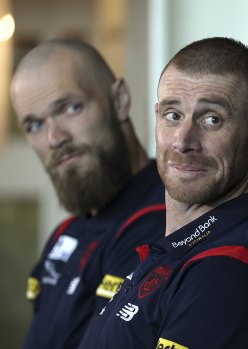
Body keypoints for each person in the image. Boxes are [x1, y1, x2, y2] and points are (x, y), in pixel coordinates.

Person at [78, 37, 248, 349]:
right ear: (156, 117)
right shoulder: (181, 251)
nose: (183, 141)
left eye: (212, 119)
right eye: (173, 115)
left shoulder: (229, 270)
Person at [10, 39, 166, 349]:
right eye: (35, 125)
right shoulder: (64, 236)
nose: (54, 138)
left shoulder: (170, 220)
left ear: (120, 99)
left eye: (70, 108)